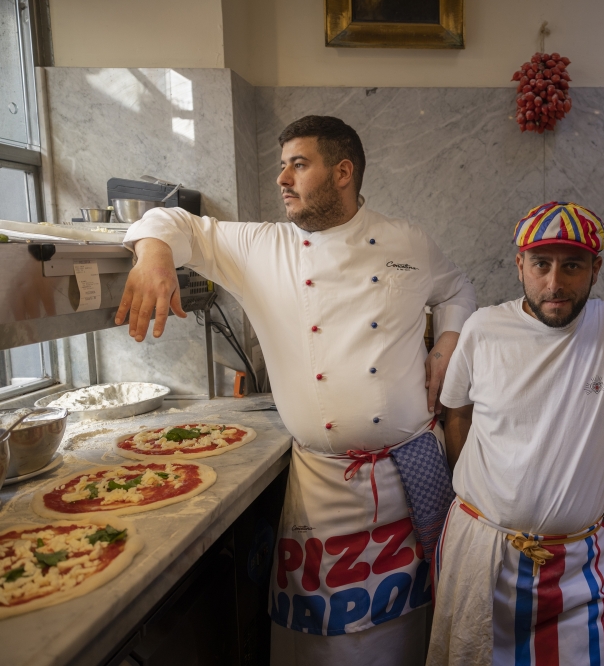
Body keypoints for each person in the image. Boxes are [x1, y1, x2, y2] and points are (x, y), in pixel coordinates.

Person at [115, 115, 476, 666]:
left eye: (298, 164)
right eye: (282, 164)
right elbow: (170, 220)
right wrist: (155, 254)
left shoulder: (408, 240)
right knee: (317, 641)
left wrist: (445, 346)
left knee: (412, 626)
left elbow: (457, 288)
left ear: (343, 172)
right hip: (324, 489)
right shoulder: (261, 245)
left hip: (409, 479)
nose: (282, 178)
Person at [428, 202, 604, 666]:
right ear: (520, 265)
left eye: (572, 265)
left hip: (577, 565)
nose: (554, 283)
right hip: (482, 555)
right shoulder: (483, 328)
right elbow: (457, 416)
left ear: (596, 268)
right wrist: (488, 497)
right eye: (541, 264)